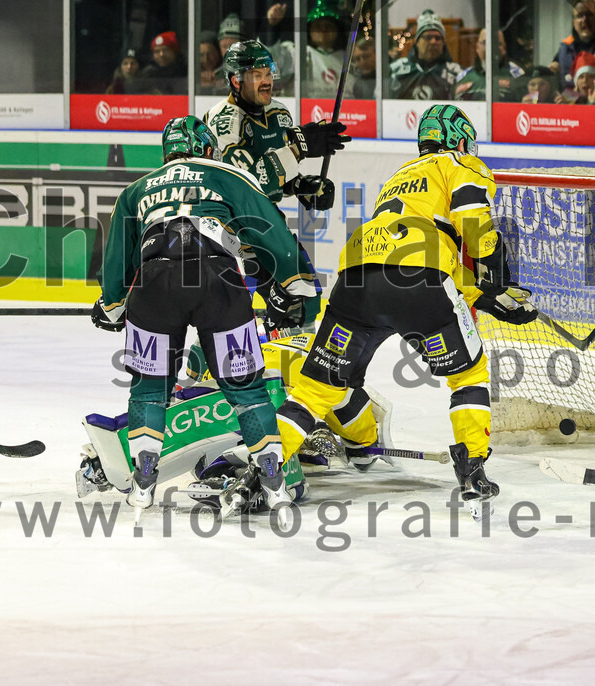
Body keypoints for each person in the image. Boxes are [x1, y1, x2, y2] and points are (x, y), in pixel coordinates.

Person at [270, 104, 538, 517]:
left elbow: (417, 254)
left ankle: (264, 466)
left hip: (356, 275)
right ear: (459, 139)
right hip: (419, 278)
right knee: (468, 373)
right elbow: (469, 227)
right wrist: (498, 281)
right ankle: (472, 466)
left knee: (316, 389)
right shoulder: (461, 163)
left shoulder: (400, 178)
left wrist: (486, 295)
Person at [90, 116, 321, 524]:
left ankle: (143, 484)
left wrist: (111, 307)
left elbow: (116, 263)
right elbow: (268, 227)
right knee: (247, 390)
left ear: (166, 153)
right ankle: (274, 484)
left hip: (153, 280)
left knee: (149, 388)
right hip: (219, 276)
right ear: (207, 149)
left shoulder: (137, 189)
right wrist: (295, 285)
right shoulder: (225, 172)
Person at [202, 39, 350, 208]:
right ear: (236, 82)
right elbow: (250, 184)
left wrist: (299, 185)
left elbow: (275, 177)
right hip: (229, 220)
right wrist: (298, 148)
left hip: (263, 216)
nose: (267, 82)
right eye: (257, 75)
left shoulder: (279, 113)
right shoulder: (223, 123)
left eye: (268, 73)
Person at [389, 9, 464, 100]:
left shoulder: (457, 73)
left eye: (438, 38)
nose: (433, 42)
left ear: (443, 43)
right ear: (417, 42)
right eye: (428, 37)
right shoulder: (397, 70)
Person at [549, 0, 595, 93]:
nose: (584, 20)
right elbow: (555, 68)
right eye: (579, 16)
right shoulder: (565, 47)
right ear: (574, 22)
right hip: (571, 103)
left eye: (589, 15)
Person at [454, 28, 524, 101]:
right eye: (485, 43)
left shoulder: (517, 74)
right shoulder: (464, 76)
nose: (490, 47)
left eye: (496, 43)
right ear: (477, 47)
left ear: (504, 48)